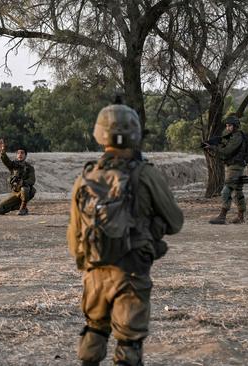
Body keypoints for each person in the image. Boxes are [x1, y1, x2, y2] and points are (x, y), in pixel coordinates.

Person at [67, 103, 183, 366]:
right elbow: (175, 223)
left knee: (94, 330)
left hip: (94, 273)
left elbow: (74, 238)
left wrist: (93, 259)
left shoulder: (86, 177)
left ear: (100, 134)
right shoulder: (146, 173)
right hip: (131, 272)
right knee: (128, 345)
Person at [203, 115, 248, 224]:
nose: (227, 128)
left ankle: (222, 216)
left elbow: (227, 151)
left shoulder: (237, 137)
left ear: (235, 126)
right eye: (227, 126)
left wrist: (214, 147)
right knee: (237, 191)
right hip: (236, 165)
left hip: (235, 166)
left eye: (229, 126)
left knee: (226, 189)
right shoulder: (234, 136)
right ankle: (240, 217)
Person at [0, 138, 36, 215]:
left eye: (22, 153)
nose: (20, 155)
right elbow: (6, 161)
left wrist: (22, 182)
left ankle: (23, 208)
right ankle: (18, 206)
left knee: (24, 188)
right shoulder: (13, 165)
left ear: (25, 155)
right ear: (16, 155)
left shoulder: (29, 168)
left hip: (25, 192)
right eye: (18, 153)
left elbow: (32, 180)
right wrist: (2, 151)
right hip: (15, 193)